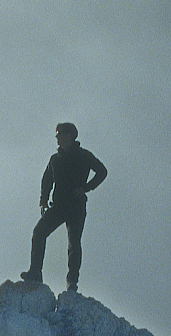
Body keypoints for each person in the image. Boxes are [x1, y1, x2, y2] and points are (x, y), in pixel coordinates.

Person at [20, 123, 107, 291]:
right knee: (39, 232)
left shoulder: (83, 155)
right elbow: (47, 180)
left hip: (76, 206)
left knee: (74, 243)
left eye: (60, 134)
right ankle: (35, 273)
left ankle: (72, 282)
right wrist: (43, 200)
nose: (57, 138)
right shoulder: (55, 159)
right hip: (58, 206)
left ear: (70, 136)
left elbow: (102, 171)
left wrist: (86, 188)